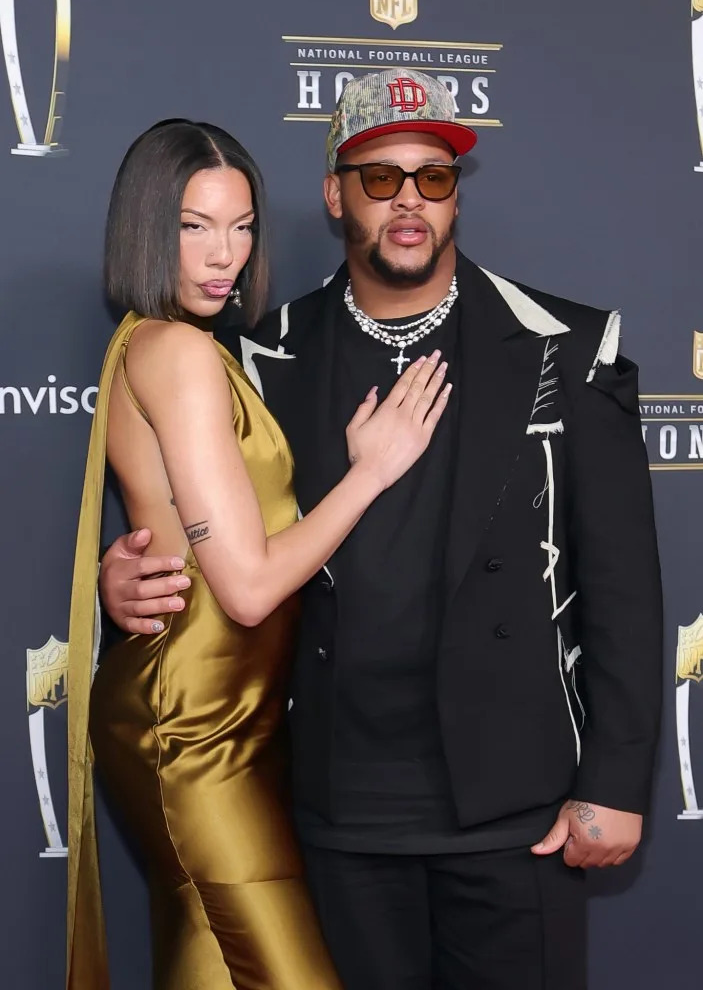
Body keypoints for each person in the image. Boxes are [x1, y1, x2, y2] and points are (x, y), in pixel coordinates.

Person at [100, 71, 663, 990]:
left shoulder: (564, 345)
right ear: (334, 194)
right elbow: (211, 533)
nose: (408, 201)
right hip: (329, 804)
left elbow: (625, 585)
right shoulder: (258, 353)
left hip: (513, 807)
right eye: (378, 176)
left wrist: (616, 777)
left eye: (432, 178)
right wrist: (120, 580)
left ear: (454, 195)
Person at [66, 117, 451, 990]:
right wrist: (371, 472)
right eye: (193, 226)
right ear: (144, 226)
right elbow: (243, 588)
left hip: (225, 713)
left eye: (240, 227)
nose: (224, 254)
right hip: (192, 724)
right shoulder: (179, 354)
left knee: (208, 959)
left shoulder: (165, 343)